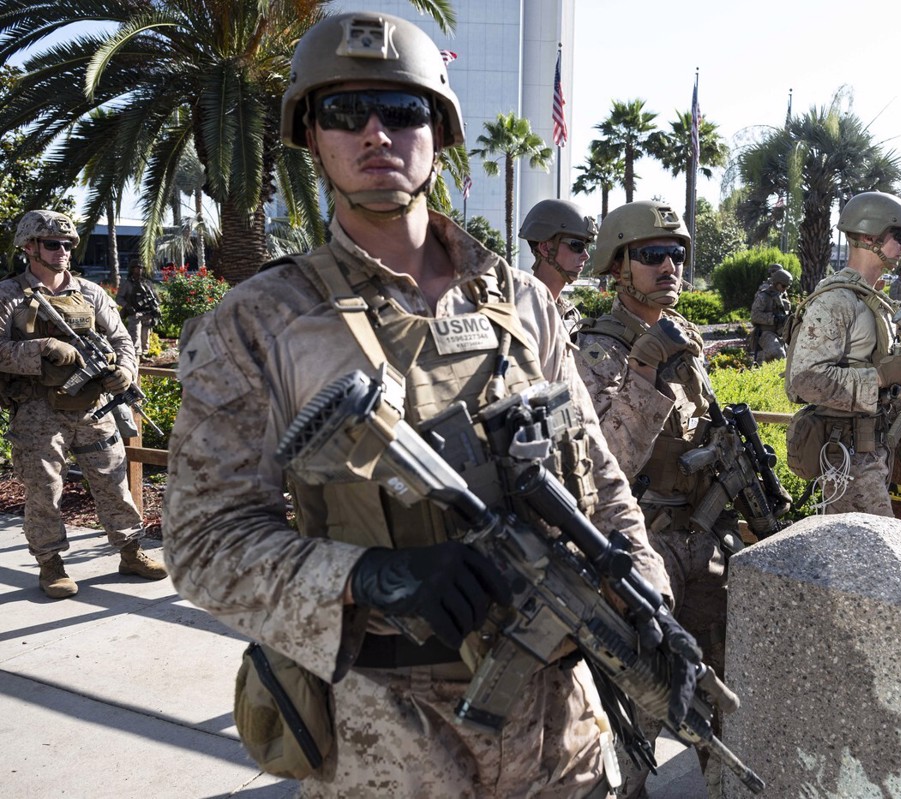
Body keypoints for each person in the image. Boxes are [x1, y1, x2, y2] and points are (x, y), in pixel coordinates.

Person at [162, 13, 680, 799]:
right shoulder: (260, 322)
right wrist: (367, 575)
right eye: (346, 112)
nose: (377, 132)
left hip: (557, 735)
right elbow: (202, 542)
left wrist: (646, 588)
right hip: (388, 745)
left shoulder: (522, 303)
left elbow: (600, 480)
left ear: (438, 131)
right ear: (311, 133)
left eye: (402, 111)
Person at [574, 200, 733, 799]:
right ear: (619, 266)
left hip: (703, 536)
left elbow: (701, 428)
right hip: (642, 544)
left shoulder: (683, 335)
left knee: (718, 689)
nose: (669, 266)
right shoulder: (595, 351)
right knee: (637, 700)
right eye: (651, 255)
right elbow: (601, 461)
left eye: (676, 254)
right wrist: (643, 369)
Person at [0, 210, 167, 599]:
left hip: (93, 405)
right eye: (53, 244)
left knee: (113, 482)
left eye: (68, 245)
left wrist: (124, 372)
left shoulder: (90, 292)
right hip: (38, 410)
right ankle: (50, 563)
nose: (63, 251)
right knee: (44, 490)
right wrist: (41, 348)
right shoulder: (8, 295)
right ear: (29, 247)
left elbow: (123, 341)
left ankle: (130, 550)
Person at [785, 191, 901, 516]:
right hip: (848, 460)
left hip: (876, 451)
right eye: (899, 236)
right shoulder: (836, 302)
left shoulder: (871, 300)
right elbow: (805, 380)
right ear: (871, 237)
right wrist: (882, 377)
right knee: (863, 559)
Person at [519, 198, 598, 332]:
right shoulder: (518, 309)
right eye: (577, 245)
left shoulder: (570, 315)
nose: (586, 255)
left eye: (586, 247)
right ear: (545, 248)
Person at [114, 257, 161, 359]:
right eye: (136, 268)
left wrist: (156, 308)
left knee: (145, 336)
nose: (139, 270)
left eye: (140, 268)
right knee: (135, 335)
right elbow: (119, 298)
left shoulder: (147, 283)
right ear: (132, 269)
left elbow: (155, 298)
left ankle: (143, 355)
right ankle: (136, 357)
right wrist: (127, 306)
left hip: (147, 314)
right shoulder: (127, 284)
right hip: (135, 314)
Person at [749, 267, 792, 363]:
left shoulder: (782, 296)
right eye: (784, 286)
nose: (785, 289)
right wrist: (774, 318)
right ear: (776, 283)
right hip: (765, 333)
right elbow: (754, 315)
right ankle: (760, 358)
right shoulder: (763, 296)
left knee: (790, 357)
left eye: (787, 287)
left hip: (781, 333)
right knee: (778, 353)